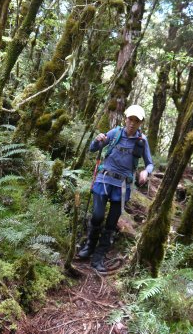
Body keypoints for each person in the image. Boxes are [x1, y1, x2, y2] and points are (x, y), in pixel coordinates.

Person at [77, 104, 154, 272]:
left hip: (123, 186)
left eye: (136, 121)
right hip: (103, 180)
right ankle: (88, 247)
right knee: (97, 215)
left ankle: (99, 257)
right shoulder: (115, 133)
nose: (132, 123)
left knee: (112, 222)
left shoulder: (142, 141)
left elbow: (149, 164)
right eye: (130, 119)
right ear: (125, 119)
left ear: (141, 123)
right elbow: (93, 149)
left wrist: (145, 173)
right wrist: (97, 140)